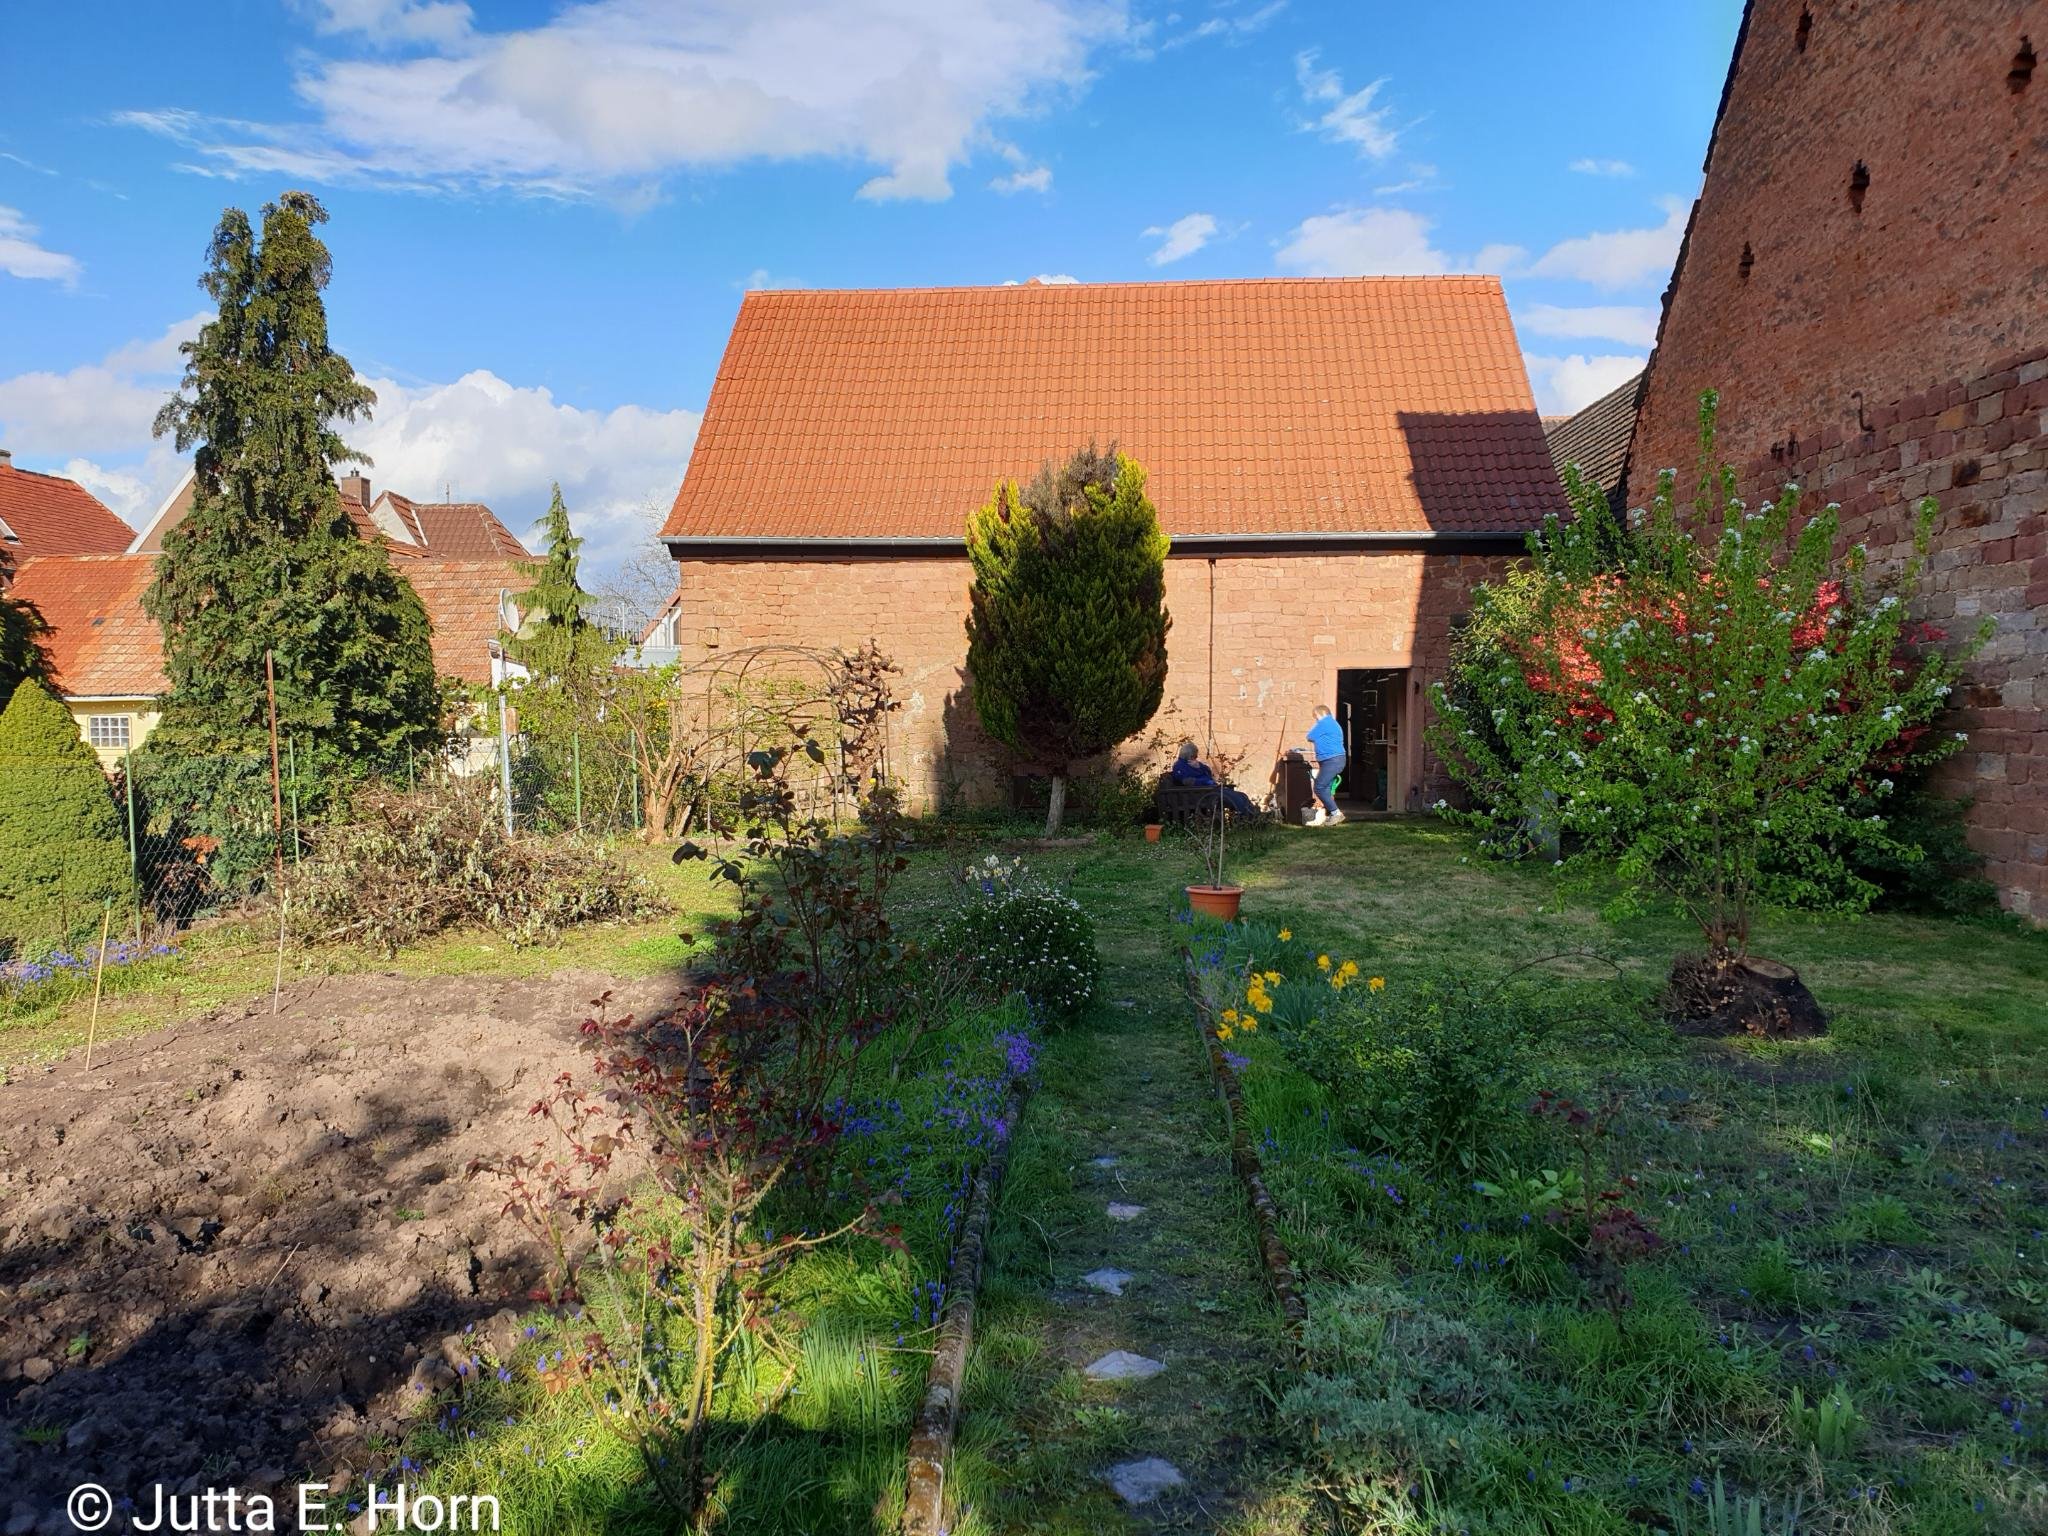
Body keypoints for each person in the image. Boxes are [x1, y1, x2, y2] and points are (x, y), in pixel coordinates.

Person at [1171, 741, 1259, 817]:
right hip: (1201, 793)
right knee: (1232, 797)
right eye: (1195, 756)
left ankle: (1253, 813)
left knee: (1241, 795)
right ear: (1190, 755)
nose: (1196, 758)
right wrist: (1207, 782)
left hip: (1210, 789)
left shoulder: (1192, 763)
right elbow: (1188, 781)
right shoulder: (1179, 766)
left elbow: (1208, 771)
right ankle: (1249, 815)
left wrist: (1199, 766)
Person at [1304, 705, 1346, 826]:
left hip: (1332, 760)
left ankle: (1336, 813)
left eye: (1315, 717)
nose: (1315, 719)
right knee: (1325, 788)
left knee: (1319, 787)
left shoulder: (1324, 723)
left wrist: (1318, 723)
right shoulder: (1333, 723)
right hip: (1334, 760)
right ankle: (1333, 816)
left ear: (1321, 714)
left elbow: (1310, 736)